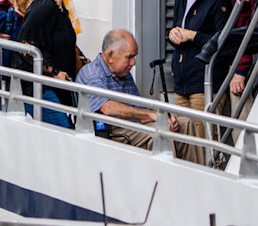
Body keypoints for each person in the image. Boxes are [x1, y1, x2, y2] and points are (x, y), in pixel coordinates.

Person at [76, 29, 204, 164]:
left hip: (133, 125)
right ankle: (168, 181)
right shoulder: (93, 73)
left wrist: (163, 116)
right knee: (161, 133)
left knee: (185, 123)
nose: (134, 62)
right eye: (129, 57)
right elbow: (108, 108)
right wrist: (151, 115)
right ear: (111, 55)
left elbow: (138, 107)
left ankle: (197, 176)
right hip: (110, 129)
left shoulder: (123, 73)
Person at [16, 0, 85, 127]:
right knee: (62, 131)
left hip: (57, 88)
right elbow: (26, 46)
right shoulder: (44, 7)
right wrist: (53, 73)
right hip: (42, 89)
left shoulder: (60, 7)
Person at [167, 0, 229, 131]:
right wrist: (172, 35)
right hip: (181, 82)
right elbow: (178, 33)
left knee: (204, 142)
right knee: (184, 140)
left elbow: (224, 40)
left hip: (205, 82)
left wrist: (193, 36)